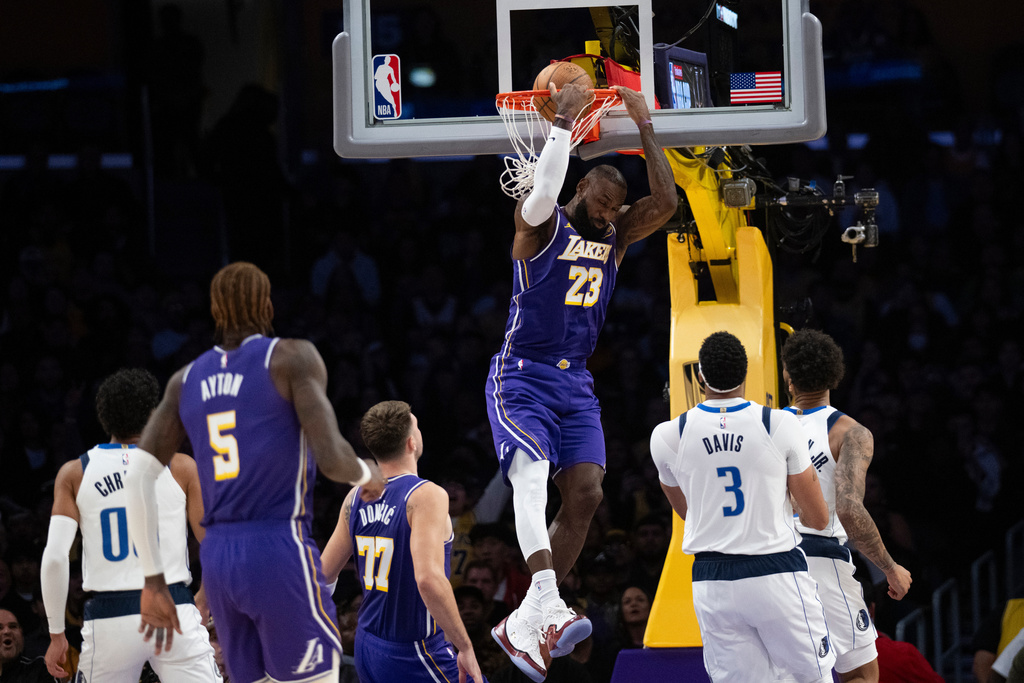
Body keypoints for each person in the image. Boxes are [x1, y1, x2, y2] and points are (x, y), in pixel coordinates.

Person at [484, 79, 677, 682]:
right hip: (522, 376)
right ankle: (542, 597)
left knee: (588, 494)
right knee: (532, 474)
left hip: (576, 384)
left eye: (617, 207)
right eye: (602, 201)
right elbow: (542, 184)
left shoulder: (615, 235)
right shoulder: (537, 227)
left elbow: (666, 203)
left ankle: (529, 616)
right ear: (581, 187)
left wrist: (646, 128)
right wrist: (564, 124)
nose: (610, 213)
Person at [123, 262, 386, 683]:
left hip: (218, 557)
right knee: (315, 677)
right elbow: (333, 458)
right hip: (276, 544)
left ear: (214, 310)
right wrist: (367, 473)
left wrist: (154, 580)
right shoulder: (290, 357)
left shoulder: (184, 379)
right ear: (267, 304)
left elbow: (136, 477)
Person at [649, 331, 836, 683]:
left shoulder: (666, 435)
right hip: (774, 569)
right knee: (814, 678)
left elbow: (689, 513)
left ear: (700, 376)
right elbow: (818, 517)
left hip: (712, 580)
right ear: (747, 373)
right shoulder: (779, 423)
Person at [40, 368, 220, 682]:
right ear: (153, 413)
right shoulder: (180, 467)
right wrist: (204, 597)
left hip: (110, 618)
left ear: (103, 416)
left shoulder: (74, 473)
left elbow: (55, 559)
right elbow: (217, 545)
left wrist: (57, 634)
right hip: (174, 607)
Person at [781, 329, 914, 683]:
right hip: (820, 560)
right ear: (836, 377)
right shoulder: (849, 433)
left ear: (787, 377)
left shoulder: (766, 427)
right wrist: (890, 568)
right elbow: (850, 511)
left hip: (766, 564)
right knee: (861, 674)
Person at [319, 400, 485, 683]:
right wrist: (465, 646)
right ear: (411, 441)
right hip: (414, 650)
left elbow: (321, 576)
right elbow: (429, 580)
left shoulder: (355, 497)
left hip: (367, 644)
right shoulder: (425, 495)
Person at [0, 608, 57, 682]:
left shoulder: (39, 669)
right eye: (0, 628)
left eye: (13, 626)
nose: (7, 631)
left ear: (21, 634)